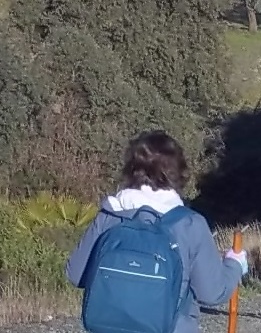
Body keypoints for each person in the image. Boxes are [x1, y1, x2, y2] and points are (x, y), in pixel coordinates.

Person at [65, 131, 249, 333]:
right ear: (179, 172)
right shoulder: (189, 224)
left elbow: (76, 275)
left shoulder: (110, 214)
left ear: (131, 169)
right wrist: (234, 264)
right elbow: (212, 293)